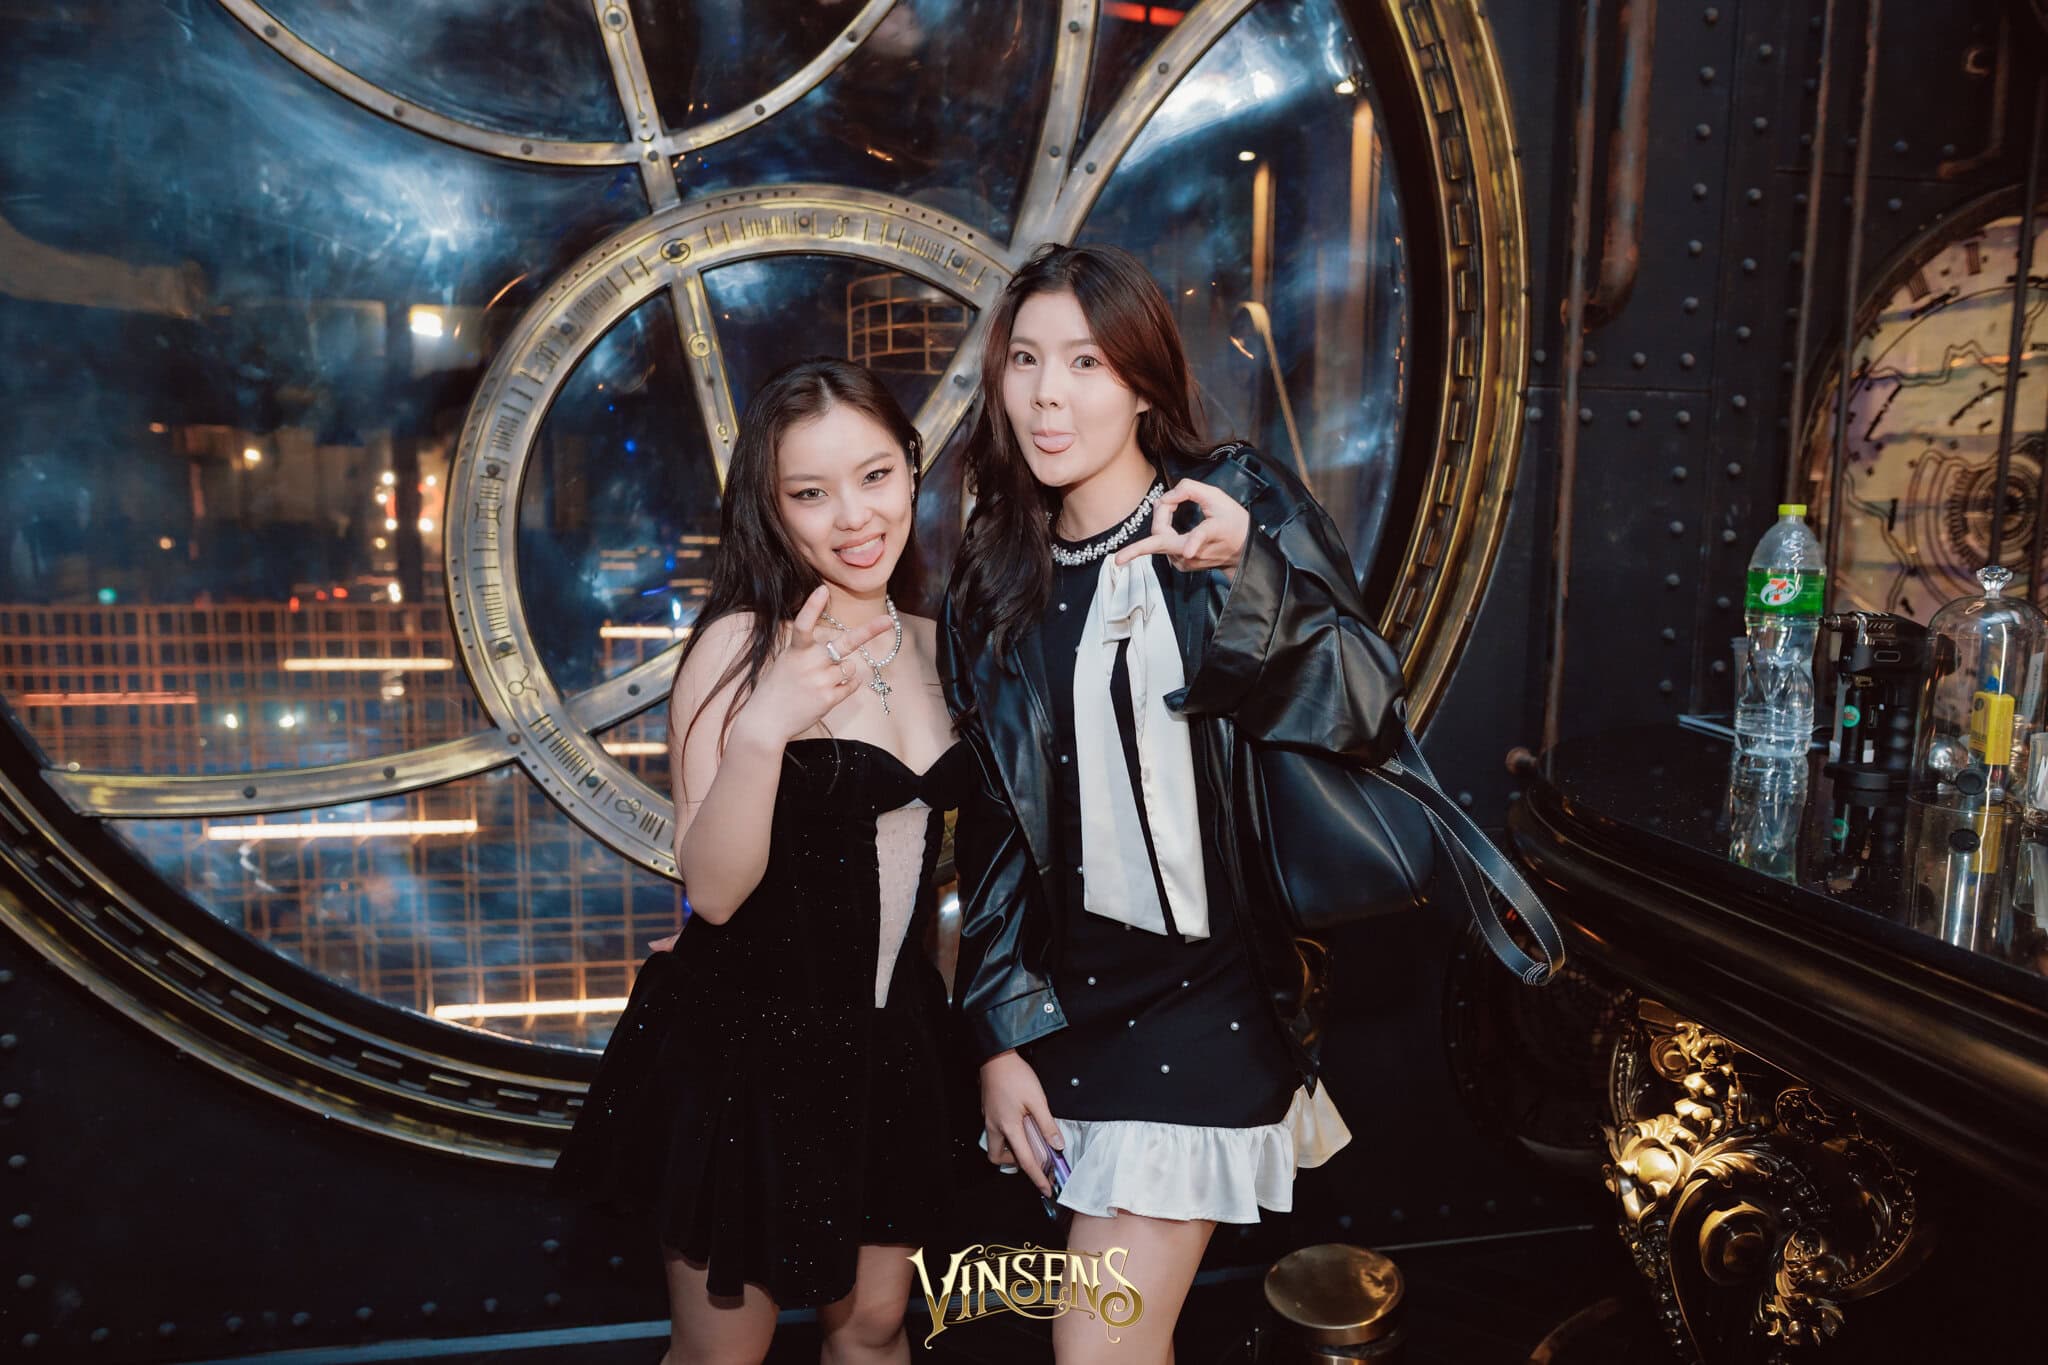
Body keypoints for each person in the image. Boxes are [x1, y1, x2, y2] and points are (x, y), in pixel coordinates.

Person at [940, 243, 1408, 1363]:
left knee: (1095, 1345)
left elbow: (1364, 701)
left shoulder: (1231, 501)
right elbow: (994, 832)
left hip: (1211, 997)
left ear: (1145, 382)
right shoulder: (994, 573)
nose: (1047, 396)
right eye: (1024, 361)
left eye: (1086, 363)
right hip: (1068, 1010)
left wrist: (1252, 573)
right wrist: (998, 1035)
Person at [555, 358, 973, 1365]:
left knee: (875, 1328)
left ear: (911, 468)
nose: (854, 517)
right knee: (721, 1355)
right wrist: (765, 726)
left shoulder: (941, 645)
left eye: (875, 476)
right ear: (771, 508)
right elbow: (712, 890)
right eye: (810, 492)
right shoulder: (738, 647)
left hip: (891, 1043)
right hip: (747, 1049)